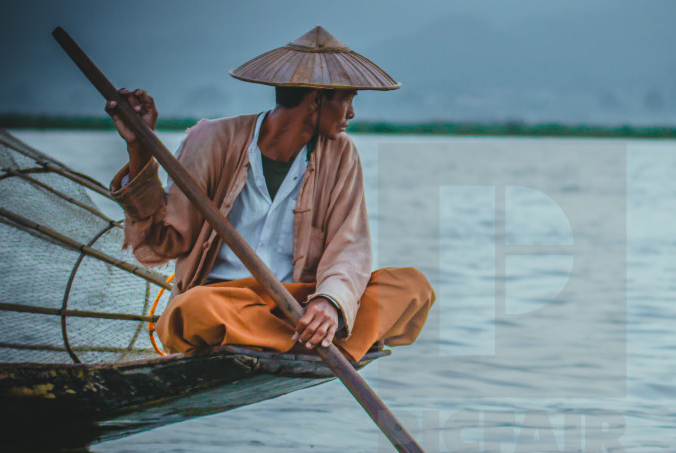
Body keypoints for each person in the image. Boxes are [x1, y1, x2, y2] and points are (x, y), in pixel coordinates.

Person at [107, 25, 433, 362]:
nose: (351, 113)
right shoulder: (212, 139)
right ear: (316, 99)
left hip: (301, 304)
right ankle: (322, 344)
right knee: (189, 311)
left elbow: (349, 247)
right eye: (346, 99)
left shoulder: (341, 153)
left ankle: (303, 334)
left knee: (411, 287)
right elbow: (164, 242)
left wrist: (329, 302)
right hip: (227, 302)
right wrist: (140, 148)